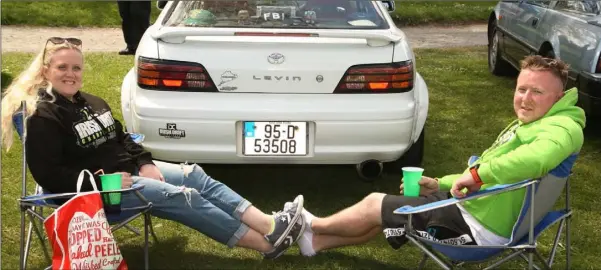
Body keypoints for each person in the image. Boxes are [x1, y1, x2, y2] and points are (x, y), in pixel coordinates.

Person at [0, 37, 305, 259]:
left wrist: (145, 162)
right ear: (45, 70)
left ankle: (270, 224)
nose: (71, 74)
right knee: (183, 196)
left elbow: (123, 138)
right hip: (96, 193)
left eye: (76, 68)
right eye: (62, 67)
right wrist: (100, 182)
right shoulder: (43, 115)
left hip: (128, 174)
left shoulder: (91, 102)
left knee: (193, 175)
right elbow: (48, 175)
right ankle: (267, 245)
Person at [289, 55, 586, 256]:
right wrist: (441, 183)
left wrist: (477, 175)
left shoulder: (562, 128)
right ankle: (313, 243)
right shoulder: (541, 122)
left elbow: (533, 161)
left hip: (476, 230)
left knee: (374, 204)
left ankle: (309, 225)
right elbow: (486, 172)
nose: (525, 98)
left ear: (559, 98)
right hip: (474, 210)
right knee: (385, 214)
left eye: (537, 92)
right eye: (522, 89)